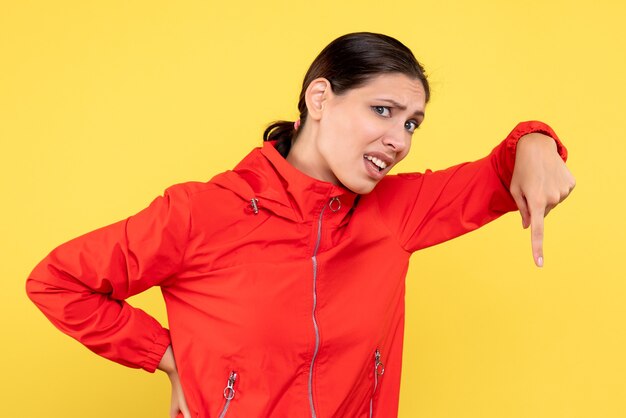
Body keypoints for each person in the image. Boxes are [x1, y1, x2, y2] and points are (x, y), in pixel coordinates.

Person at [26, 32, 575, 418]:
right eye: (382, 111)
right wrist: (170, 359)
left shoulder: (399, 211)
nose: (400, 140)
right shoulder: (200, 213)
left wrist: (536, 139)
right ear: (320, 98)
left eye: (412, 123)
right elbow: (56, 281)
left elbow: (505, 170)